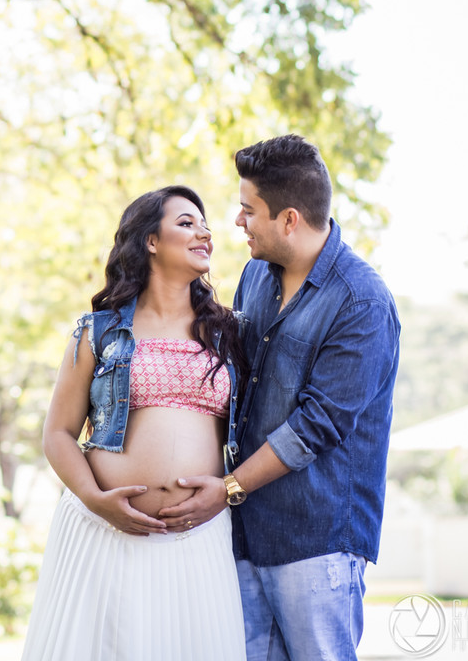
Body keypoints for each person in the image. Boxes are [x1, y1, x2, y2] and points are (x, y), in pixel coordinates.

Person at [160, 135, 401, 660]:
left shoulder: (361, 302)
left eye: (249, 210)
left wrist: (225, 489)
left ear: (289, 219)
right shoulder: (254, 277)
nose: (237, 222)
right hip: (245, 536)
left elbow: (317, 425)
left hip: (315, 542)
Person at [20, 185, 247, 660]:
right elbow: (58, 433)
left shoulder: (229, 331)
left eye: (205, 224)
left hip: (197, 538)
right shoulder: (98, 330)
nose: (204, 232)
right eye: (186, 223)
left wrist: (225, 489)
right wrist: (96, 500)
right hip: (102, 533)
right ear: (150, 241)